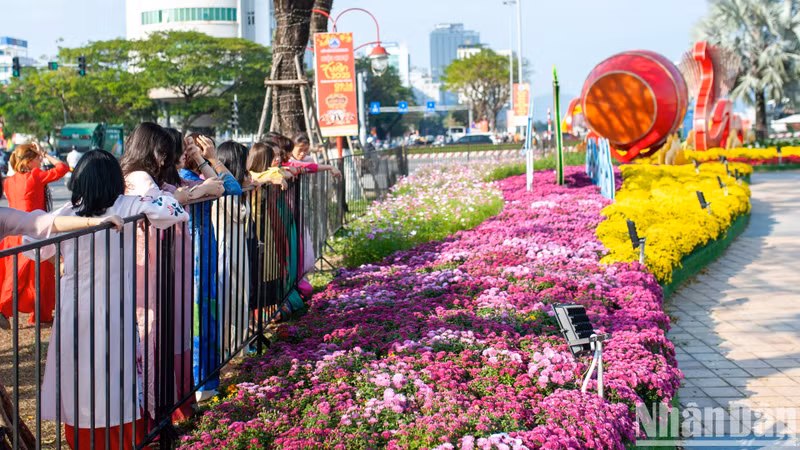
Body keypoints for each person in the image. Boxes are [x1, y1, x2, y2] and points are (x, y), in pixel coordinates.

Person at [34, 150, 189, 450]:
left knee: (80, 382)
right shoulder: (130, 205)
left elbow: (33, 247)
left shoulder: (67, 213)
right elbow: (171, 209)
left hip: (74, 311)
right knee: (117, 382)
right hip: (114, 309)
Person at [119, 122, 217, 423]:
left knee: (165, 331)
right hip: (146, 266)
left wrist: (203, 168)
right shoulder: (137, 177)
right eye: (163, 151)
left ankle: (169, 406)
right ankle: (158, 411)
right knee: (152, 333)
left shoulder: (146, 177)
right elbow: (159, 207)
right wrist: (193, 192)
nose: (166, 158)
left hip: (158, 263)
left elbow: (222, 187)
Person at [0, 171, 122, 330]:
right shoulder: (33, 176)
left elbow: (47, 222)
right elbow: (61, 168)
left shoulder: (5, 209)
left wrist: (96, 222)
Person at [179, 133, 242, 402]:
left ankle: (205, 379)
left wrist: (209, 159)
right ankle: (198, 381)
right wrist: (208, 160)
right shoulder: (183, 177)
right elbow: (230, 187)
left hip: (204, 249)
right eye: (187, 148)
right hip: (191, 253)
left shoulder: (197, 177)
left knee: (206, 312)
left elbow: (233, 187)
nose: (192, 152)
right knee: (197, 315)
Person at [0, 142, 69, 327]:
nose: (40, 161)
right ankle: (32, 314)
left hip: (11, 235)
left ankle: (36, 314)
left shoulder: (8, 181)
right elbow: (63, 168)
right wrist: (45, 153)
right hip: (32, 231)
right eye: (37, 159)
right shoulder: (35, 176)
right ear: (30, 162)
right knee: (38, 276)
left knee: (16, 275)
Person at [213, 141, 252, 354]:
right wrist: (244, 189)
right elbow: (240, 214)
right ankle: (233, 346)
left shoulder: (229, 186)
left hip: (235, 246)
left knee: (238, 295)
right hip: (227, 249)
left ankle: (238, 344)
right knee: (233, 297)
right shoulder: (225, 187)